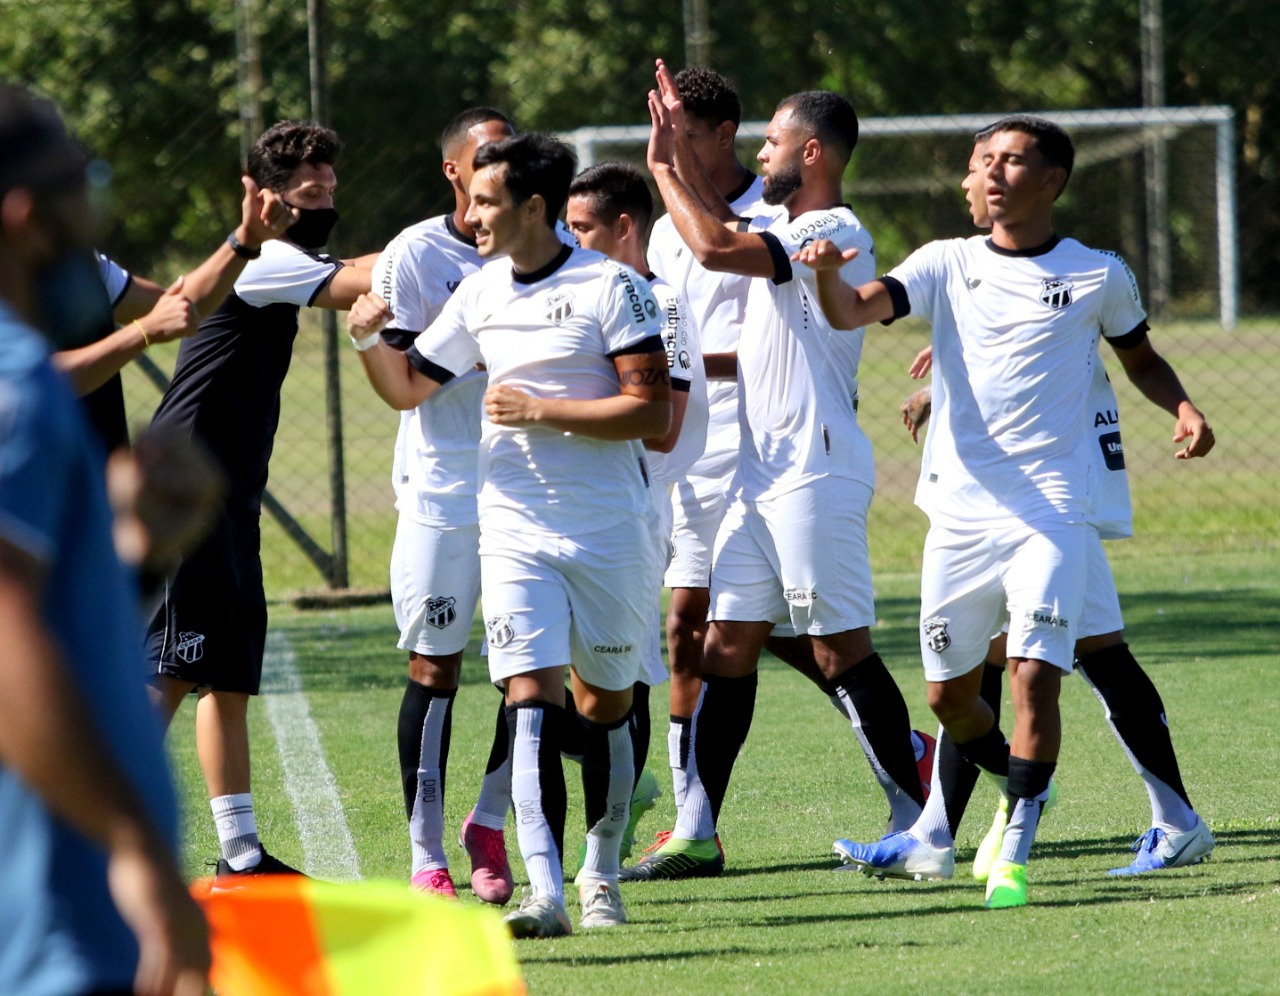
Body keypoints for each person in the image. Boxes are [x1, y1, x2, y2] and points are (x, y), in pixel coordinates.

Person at [798, 114, 1214, 908]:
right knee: (958, 695)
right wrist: (825, 276)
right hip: (959, 513)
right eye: (981, 160)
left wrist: (1183, 406)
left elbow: (1139, 357)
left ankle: (1006, 841)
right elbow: (853, 311)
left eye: (1010, 161)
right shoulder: (947, 263)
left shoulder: (1097, 273)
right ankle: (1150, 816)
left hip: (1053, 506)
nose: (989, 174)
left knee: (1032, 674)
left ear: (1051, 180)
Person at [349, 132, 670, 938]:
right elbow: (410, 385)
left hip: (608, 532)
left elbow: (651, 411)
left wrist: (541, 410)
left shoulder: (614, 288)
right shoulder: (483, 291)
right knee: (528, 696)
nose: (473, 214)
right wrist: (364, 338)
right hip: (512, 526)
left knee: (605, 705)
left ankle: (600, 873)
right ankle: (547, 894)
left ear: (535, 207)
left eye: (489, 202)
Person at [639, 60, 928, 875]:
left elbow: (718, 245)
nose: (762, 153)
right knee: (725, 645)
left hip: (814, 469)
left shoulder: (827, 228)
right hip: (758, 479)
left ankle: (917, 819)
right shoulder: (788, 224)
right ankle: (699, 830)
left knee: (840, 650)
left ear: (811, 154)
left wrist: (665, 166)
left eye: (772, 140)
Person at [0, 82, 209, 996]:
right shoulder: (17, 386)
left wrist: (142, 555)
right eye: (84, 182)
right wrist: (137, 850)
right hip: (48, 921)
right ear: (27, 217)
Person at [146, 119, 373, 884]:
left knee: (228, 671)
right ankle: (80, 834)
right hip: (185, 492)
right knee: (170, 670)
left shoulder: (288, 256)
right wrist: (465, 242)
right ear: (266, 197)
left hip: (230, 496)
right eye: (309, 187)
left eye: (332, 183)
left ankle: (241, 851)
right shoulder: (268, 258)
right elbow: (358, 283)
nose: (325, 196)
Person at [356, 106, 520, 902]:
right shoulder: (416, 253)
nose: (500, 163)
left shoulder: (544, 242)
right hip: (444, 486)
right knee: (436, 665)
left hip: (530, 485)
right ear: (453, 169)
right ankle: (427, 857)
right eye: (485, 153)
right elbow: (407, 378)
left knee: (533, 671)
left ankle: (488, 824)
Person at [564, 159, 705, 862]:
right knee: (547, 676)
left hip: (637, 508)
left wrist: (554, 412)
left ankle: (606, 838)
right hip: (568, 502)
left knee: (622, 675)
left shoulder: (664, 302)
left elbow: (662, 427)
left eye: (581, 227)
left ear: (624, 228)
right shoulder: (578, 296)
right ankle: (622, 790)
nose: (568, 238)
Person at [57, 178, 298, 454]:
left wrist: (246, 240)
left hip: (87, 482)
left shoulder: (79, 265)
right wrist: (142, 332)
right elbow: (39, 378)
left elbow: (179, 305)